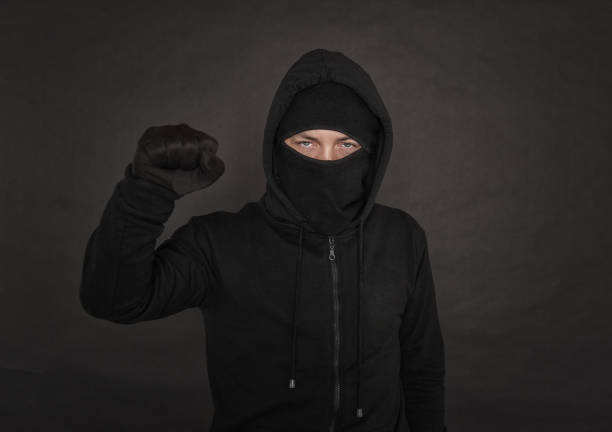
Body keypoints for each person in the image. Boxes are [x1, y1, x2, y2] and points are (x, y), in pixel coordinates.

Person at [80, 48, 447, 432]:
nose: (326, 160)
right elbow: (113, 300)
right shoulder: (218, 243)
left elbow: (422, 367)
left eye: (346, 145)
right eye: (306, 143)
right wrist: (146, 192)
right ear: (277, 147)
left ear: (370, 156)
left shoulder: (402, 237)